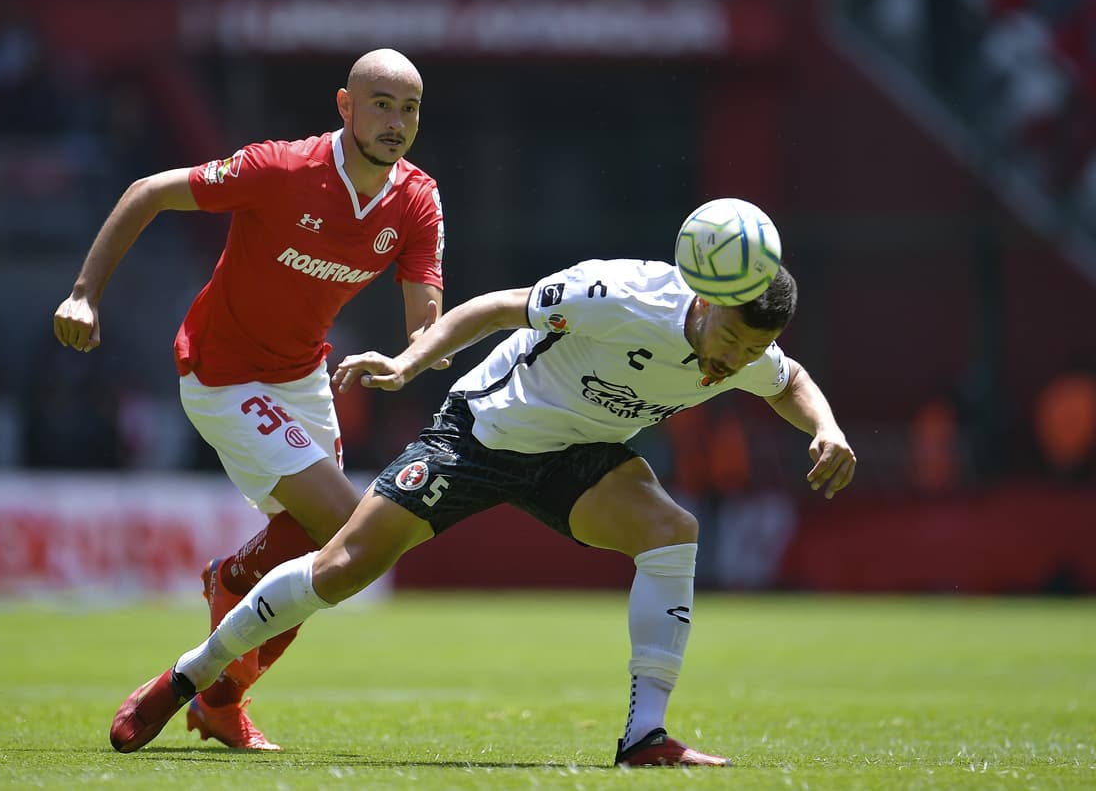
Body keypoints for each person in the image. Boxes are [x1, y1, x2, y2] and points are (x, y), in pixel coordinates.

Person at [107, 257, 857, 767]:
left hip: (579, 453)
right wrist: (407, 364)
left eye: (749, 349)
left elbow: (790, 380)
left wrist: (826, 427)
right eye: (729, 338)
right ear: (706, 300)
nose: (729, 364)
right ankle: (187, 678)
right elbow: (499, 307)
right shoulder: (622, 295)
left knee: (672, 531)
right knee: (343, 566)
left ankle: (644, 735)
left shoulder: (748, 349)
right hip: (481, 432)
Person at [53, 49, 446, 750]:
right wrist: (84, 294)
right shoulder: (279, 169)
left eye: (409, 107)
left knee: (328, 549)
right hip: (223, 376)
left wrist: (411, 356)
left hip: (303, 379)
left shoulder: (416, 199)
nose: (396, 121)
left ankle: (221, 693)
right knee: (347, 529)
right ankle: (229, 605)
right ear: (345, 106)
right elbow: (147, 190)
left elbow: (426, 321)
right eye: (381, 103)